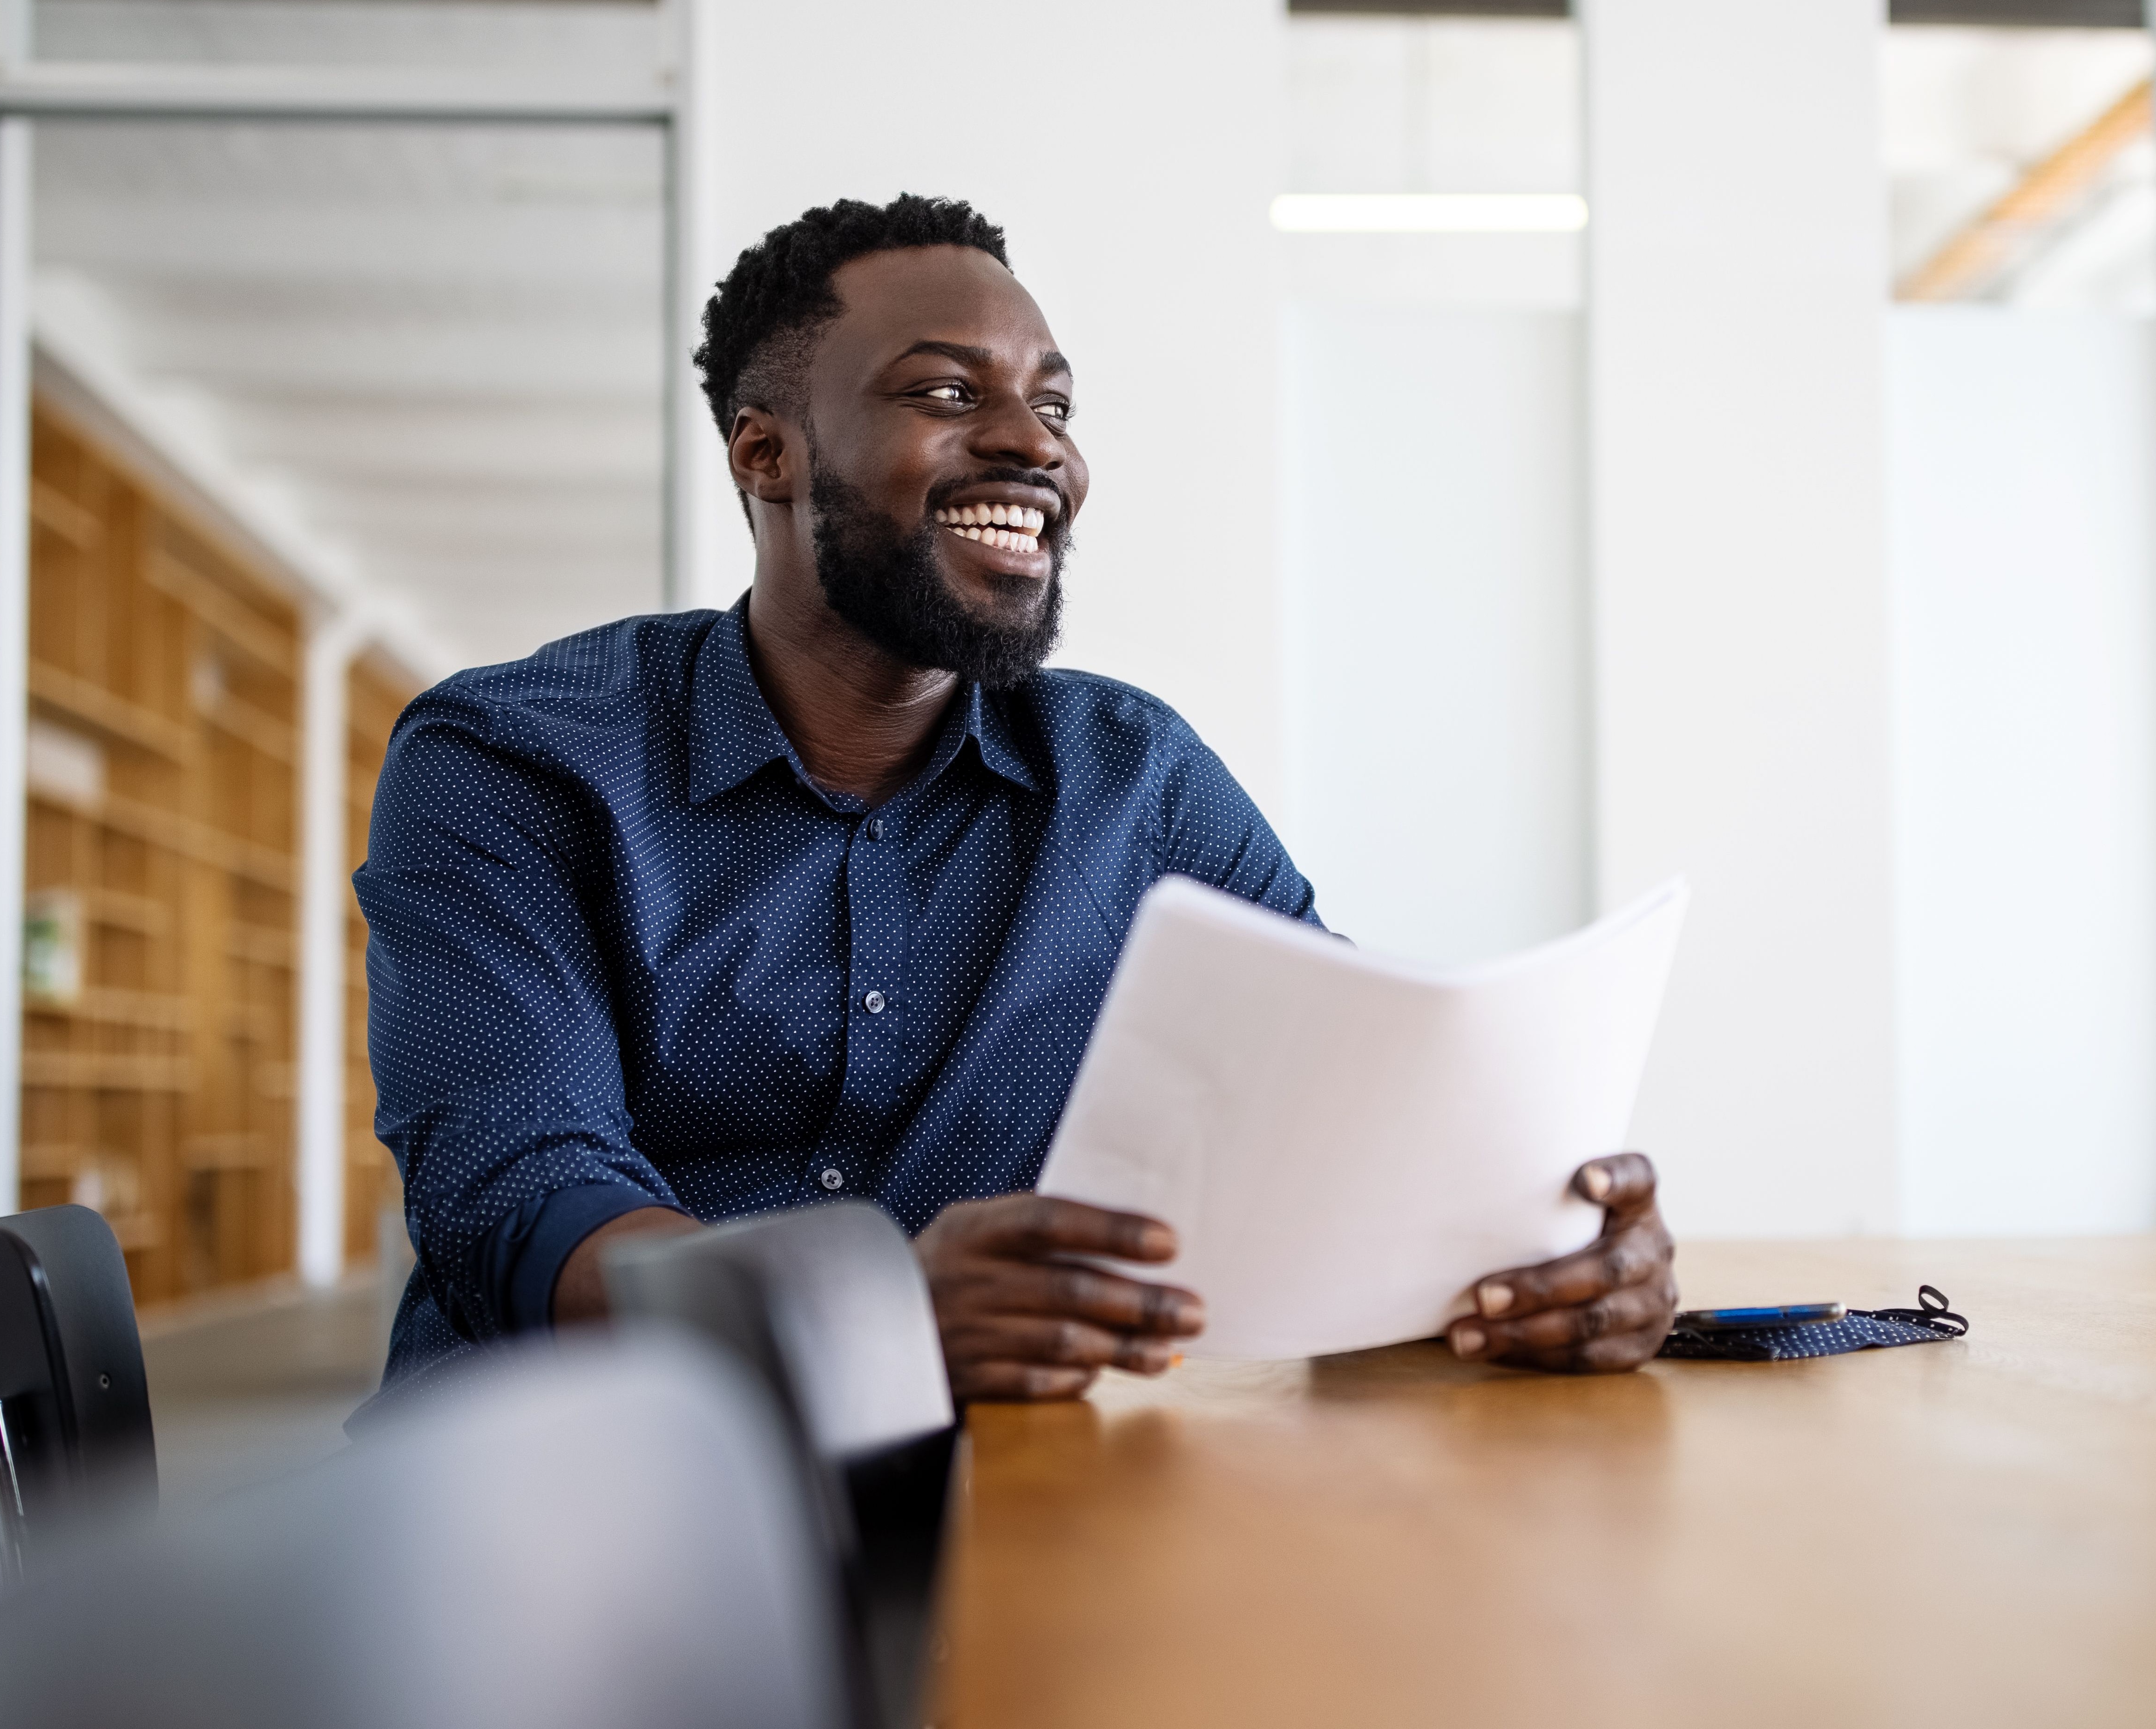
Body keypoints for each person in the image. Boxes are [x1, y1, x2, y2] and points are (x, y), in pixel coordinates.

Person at [355, 194, 1675, 1409]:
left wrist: (1541, 1265)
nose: (1033, 444)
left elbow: (1345, 1120)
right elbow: (519, 1198)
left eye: (1055, 404)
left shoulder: (1135, 780)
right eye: (945, 389)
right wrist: (867, 1315)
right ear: (769, 452)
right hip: (574, 1503)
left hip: (997, 1499)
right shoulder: (511, 760)